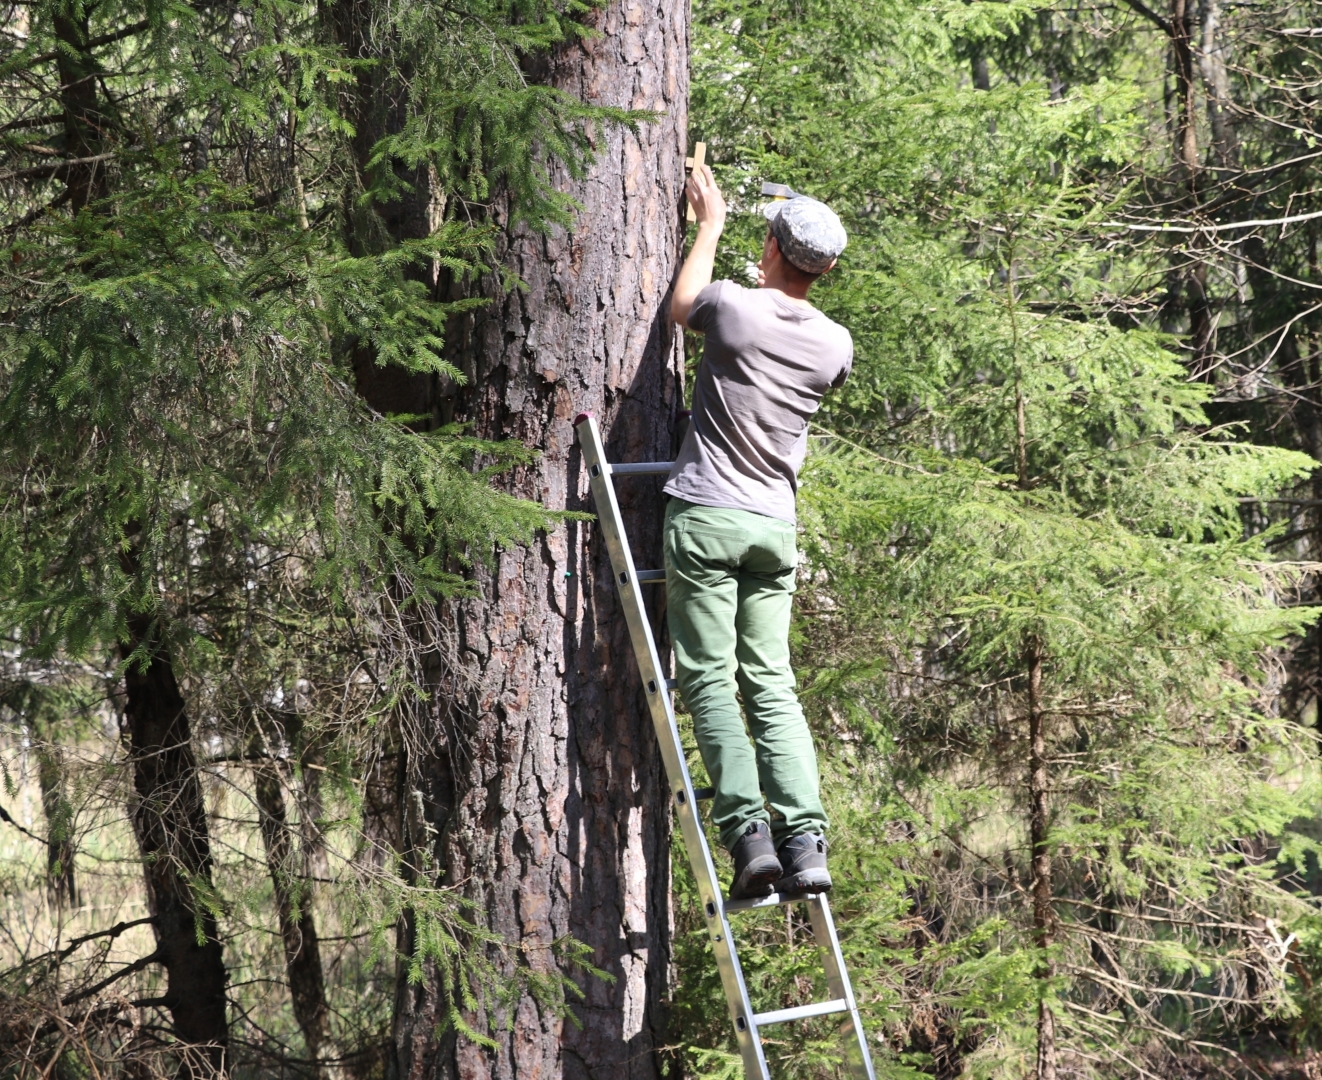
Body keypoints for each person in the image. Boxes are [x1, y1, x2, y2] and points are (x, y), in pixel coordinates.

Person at [664, 164, 853, 899]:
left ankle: (750, 841)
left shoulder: (736, 311)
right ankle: (805, 842)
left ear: (770, 248)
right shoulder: (834, 345)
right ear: (828, 268)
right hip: (774, 528)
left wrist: (707, 223)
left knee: (711, 679)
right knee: (771, 685)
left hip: (707, 515)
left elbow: (683, 305)